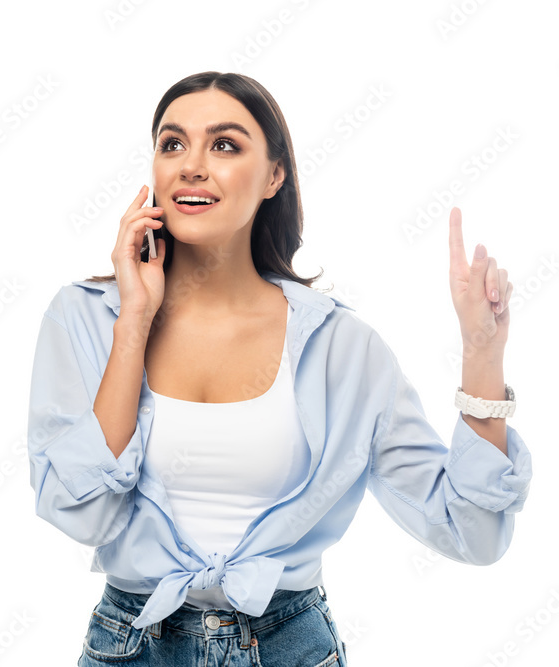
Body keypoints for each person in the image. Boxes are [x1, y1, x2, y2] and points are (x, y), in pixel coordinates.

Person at [26, 71, 532, 667]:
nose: (191, 165)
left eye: (224, 145)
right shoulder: (84, 319)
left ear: (274, 176)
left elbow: (470, 532)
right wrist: (134, 322)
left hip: (289, 648)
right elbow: (79, 513)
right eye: (172, 144)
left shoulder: (340, 346)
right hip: (131, 645)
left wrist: (481, 354)